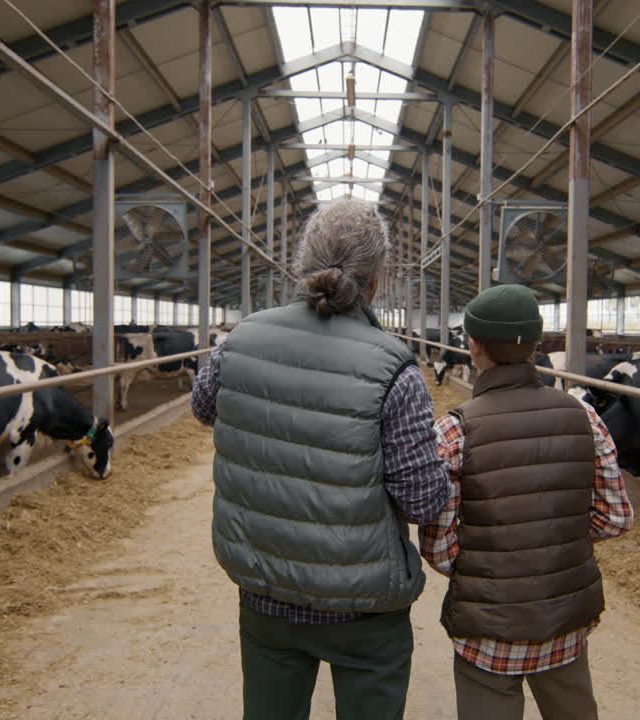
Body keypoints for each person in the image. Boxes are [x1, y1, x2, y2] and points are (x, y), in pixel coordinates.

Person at [191, 198, 449, 720]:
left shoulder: (236, 342)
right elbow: (422, 501)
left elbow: (203, 407)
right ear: (376, 280)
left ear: (302, 267)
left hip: (265, 592)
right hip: (364, 610)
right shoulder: (395, 369)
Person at [420, 284, 634, 720]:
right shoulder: (585, 417)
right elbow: (615, 518)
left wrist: (486, 566)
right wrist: (557, 542)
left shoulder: (453, 431)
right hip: (565, 619)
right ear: (537, 345)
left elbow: (438, 549)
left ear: (474, 346)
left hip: (487, 631)